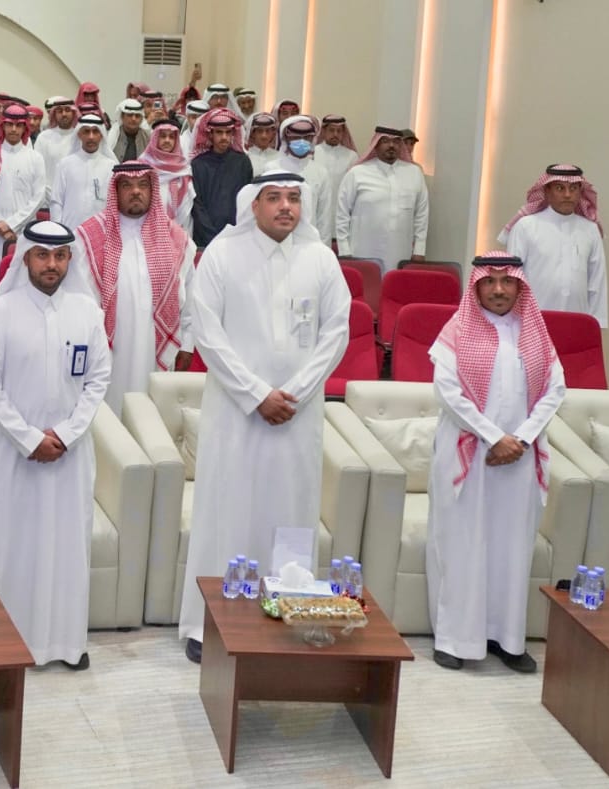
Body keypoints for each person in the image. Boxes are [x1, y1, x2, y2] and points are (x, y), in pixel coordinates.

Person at [178, 171, 350, 662]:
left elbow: (336, 332)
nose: (285, 207)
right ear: (253, 205)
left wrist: (295, 392)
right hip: (236, 415)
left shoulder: (320, 259)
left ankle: (287, 615)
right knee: (226, 510)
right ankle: (208, 625)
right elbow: (207, 334)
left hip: (297, 415)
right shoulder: (222, 255)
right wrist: (256, 395)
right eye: (273, 198)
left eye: (293, 198)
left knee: (291, 512)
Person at [0, 220, 110, 669]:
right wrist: (29, 438)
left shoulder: (87, 312)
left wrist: (67, 434)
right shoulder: (0, 312)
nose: (51, 264)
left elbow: (98, 379)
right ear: (26, 258)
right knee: (12, 550)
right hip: (12, 455)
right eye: (42, 255)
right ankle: (6, 647)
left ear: (70, 259)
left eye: (60, 256)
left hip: (70, 455)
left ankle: (67, 645)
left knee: (68, 548)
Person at [426, 252, 565, 673]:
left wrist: (519, 439)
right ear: (477, 286)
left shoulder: (535, 334)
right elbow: (448, 393)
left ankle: (507, 639)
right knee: (462, 545)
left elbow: (555, 390)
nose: (499, 289)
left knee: (512, 547)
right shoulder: (456, 330)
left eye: (508, 281)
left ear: (521, 286)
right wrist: (493, 437)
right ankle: (454, 639)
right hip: (469, 455)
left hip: (518, 458)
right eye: (490, 281)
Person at [75, 162, 196, 414]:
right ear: (115, 191)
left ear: (152, 190)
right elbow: (78, 298)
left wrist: (186, 345)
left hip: (154, 343)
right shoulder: (90, 236)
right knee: (108, 412)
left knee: (151, 414)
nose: (136, 191)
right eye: (127, 185)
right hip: (106, 344)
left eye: (143, 185)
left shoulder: (177, 239)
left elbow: (191, 302)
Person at [499, 164, 608, 328]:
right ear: (547, 191)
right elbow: (513, 278)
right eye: (560, 188)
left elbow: (597, 281)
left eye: (573, 188)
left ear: (580, 192)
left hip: (577, 321)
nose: (567, 194)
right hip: (532, 322)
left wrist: (596, 324)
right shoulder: (526, 226)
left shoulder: (590, 230)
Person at [336, 126, 428, 271]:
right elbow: (342, 214)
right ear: (376, 144)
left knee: (395, 284)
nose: (391, 145)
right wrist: (344, 250)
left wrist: (419, 250)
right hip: (362, 251)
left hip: (401, 252)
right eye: (385, 141)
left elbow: (421, 215)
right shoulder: (357, 173)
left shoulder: (414, 173)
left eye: (396, 142)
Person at [0, 105, 47, 284]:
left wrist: (12, 225)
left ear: (25, 128)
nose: (14, 129)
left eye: (18, 125)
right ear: (3, 126)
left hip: (22, 230)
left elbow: (38, 197)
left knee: (22, 281)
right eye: (9, 125)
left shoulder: (35, 158)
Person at [188, 108, 253, 248]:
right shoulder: (198, 164)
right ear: (210, 134)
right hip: (205, 239)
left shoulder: (242, 162)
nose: (224, 137)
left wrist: (236, 232)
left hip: (237, 236)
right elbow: (197, 205)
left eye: (228, 132)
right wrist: (212, 237)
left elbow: (248, 200)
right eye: (219, 132)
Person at [50, 113, 117, 232]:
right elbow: (56, 202)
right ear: (79, 134)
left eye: (95, 131)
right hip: (70, 232)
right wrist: (58, 232)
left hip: (101, 233)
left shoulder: (112, 167)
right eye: (86, 131)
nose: (91, 137)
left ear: (101, 135)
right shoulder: (65, 165)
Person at [275, 115, 332, 246]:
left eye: (307, 138)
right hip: (277, 242)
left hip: (310, 243)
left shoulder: (321, 172)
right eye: (296, 137)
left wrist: (323, 249)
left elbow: (324, 217)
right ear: (286, 139)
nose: (302, 141)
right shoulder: (272, 168)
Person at [139, 118, 195, 237]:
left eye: (171, 137)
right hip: (146, 229)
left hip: (176, 230)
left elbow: (186, 207)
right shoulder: (142, 166)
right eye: (163, 136)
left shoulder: (183, 169)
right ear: (155, 138)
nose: (167, 140)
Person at [34, 96, 77, 188]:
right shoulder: (44, 137)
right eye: (60, 111)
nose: (64, 114)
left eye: (67, 110)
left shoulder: (80, 137)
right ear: (54, 114)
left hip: (74, 190)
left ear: (73, 113)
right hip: (48, 191)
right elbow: (37, 168)